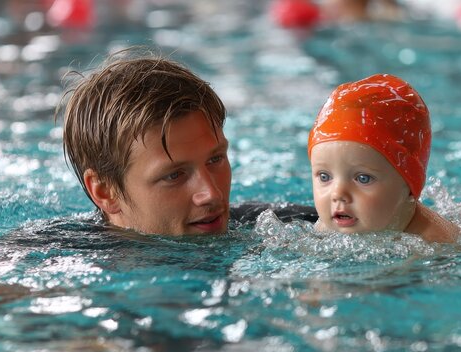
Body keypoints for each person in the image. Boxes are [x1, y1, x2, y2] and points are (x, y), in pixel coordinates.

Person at [58, 49, 316, 236]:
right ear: (105, 192)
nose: (212, 194)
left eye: (215, 159)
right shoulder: (49, 262)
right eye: (174, 175)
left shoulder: (280, 224)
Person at [307, 73, 461, 243]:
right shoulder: (326, 227)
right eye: (324, 176)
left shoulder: (435, 243)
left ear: (410, 186)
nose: (337, 194)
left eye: (363, 178)